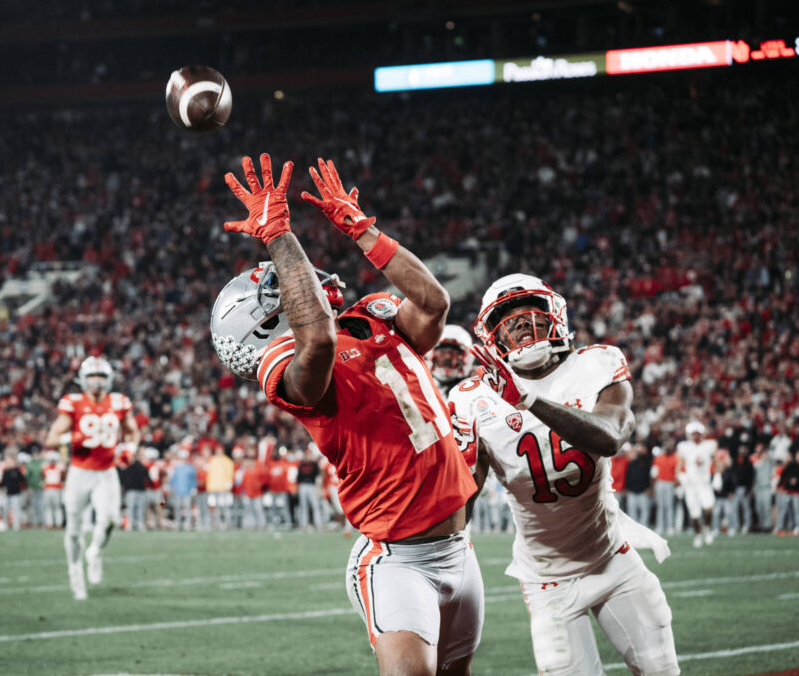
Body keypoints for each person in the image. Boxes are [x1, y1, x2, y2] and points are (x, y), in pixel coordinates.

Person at [213, 154, 482, 674]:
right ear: (263, 321)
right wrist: (277, 234)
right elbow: (316, 337)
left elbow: (434, 304)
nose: (297, 280)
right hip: (397, 560)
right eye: (279, 287)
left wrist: (364, 231)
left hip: (460, 547)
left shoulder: (371, 315)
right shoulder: (292, 371)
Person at [449, 273, 679, 676]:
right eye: (506, 317)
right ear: (491, 337)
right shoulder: (472, 398)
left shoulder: (596, 362)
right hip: (547, 579)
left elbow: (609, 437)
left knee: (661, 670)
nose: (519, 322)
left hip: (613, 557)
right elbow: (462, 506)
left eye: (529, 311)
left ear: (555, 315)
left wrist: (528, 401)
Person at [44, 355, 140, 600]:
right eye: (92, 377)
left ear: (108, 379)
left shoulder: (119, 402)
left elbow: (133, 433)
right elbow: (52, 438)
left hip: (106, 471)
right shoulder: (72, 402)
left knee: (110, 521)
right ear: (83, 380)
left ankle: (95, 552)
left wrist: (130, 449)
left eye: (101, 377)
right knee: (74, 531)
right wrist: (72, 440)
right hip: (79, 472)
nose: (96, 382)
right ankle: (75, 574)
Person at [676, 421, 717, 547]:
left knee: (709, 507)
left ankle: (707, 528)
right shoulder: (684, 446)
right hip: (691, 484)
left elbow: (716, 461)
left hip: (704, 483)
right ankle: (698, 535)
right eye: (694, 434)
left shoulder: (709, 445)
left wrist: (718, 476)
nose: (696, 436)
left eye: (698, 434)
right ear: (689, 435)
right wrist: (680, 477)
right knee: (694, 514)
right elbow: (679, 465)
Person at [427, 324, 476, 398]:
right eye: (442, 351)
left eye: (454, 353)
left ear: (467, 358)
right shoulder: (420, 383)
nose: (447, 357)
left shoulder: (475, 386)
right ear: (432, 355)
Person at [651, 445, 679, 536]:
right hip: (660, 482)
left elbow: (677, 472)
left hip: (670, 483)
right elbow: (654, 473)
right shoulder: (659, 458)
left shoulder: (675, 458)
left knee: (669, 505)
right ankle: (660, 526)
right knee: (660, 505)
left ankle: (670, 527)